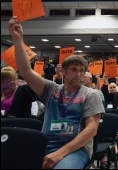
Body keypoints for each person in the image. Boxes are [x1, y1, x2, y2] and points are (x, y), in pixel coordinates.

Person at [8, 16, 105, 169]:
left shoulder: (91, 94)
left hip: (76, 149)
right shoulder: (50, 89)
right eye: (74, 70)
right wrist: (18, 39)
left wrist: (61, 153)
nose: (78, 74)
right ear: (63, 72)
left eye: (82, 71)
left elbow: (91, 129)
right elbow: (26, 72)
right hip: (45, 145)